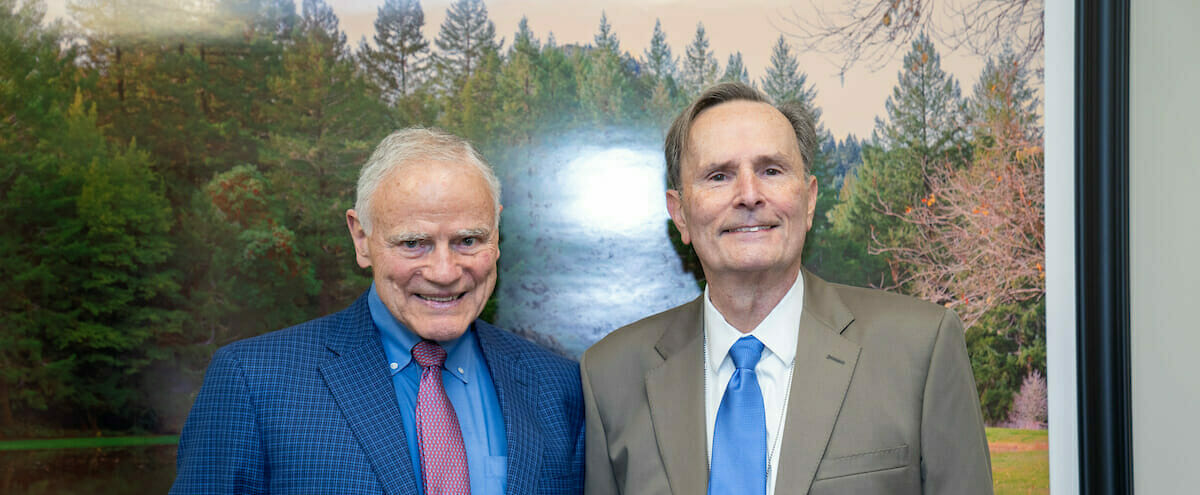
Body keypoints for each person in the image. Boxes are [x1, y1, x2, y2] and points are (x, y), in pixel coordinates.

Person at [581, 82, 993, 494]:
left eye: (771, 171)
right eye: (719, 175)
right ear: (681, 214)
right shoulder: (612, 377)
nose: (748, 195)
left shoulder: (920, 350)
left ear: (809, 200)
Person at [173, 128, 584, 494]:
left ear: (495, 233)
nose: (444, 272)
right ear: (361, 238)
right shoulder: (255, 382)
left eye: (468, 240)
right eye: (413, 243)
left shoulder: (558, 388)